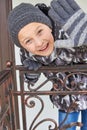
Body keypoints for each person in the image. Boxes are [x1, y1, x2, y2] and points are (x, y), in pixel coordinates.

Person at [7, 0, 87, 130]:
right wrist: (31, 71)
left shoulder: (68, 32)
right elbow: (30, 80)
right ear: (22, 46)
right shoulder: (28, 53)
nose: (39, 43)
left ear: (49, 26)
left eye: (39, 31)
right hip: (64, 99)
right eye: (28, 41)